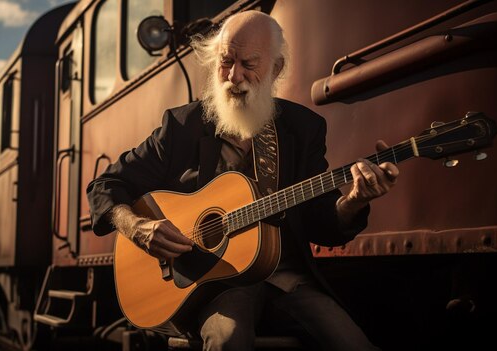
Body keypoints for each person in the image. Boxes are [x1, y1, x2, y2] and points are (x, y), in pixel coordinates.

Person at [87, 10, 398, 351]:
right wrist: (136, 228)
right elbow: (105, 185)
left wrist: (354, 201)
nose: (234, 76)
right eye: (226, 61)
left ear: (276, 69)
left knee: (353, 344)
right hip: (216, 285)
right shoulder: (182, 127)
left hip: (288, 279)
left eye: (249, 63)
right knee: (228, 340)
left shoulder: (302, 128)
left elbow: (321, 222)